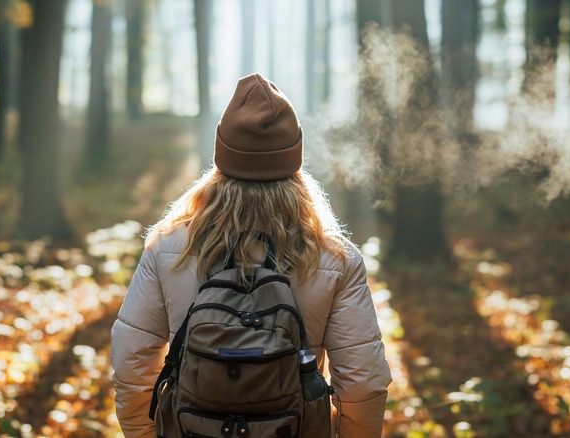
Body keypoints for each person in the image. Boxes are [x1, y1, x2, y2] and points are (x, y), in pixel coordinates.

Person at [110, 73, 392, 438]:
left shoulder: (169, 247)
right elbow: (363, 384)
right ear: (294, 161)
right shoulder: (334, 257)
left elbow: (132, 365)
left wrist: (147, 434)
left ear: (221, 157)